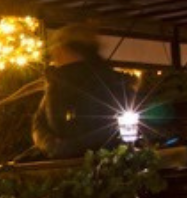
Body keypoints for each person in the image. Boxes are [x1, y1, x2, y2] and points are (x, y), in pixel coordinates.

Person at [32, 22, 138, 158]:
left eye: (57, 46)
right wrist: (53, 145)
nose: (53, 52)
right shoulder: (55, 84)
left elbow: (112, 126)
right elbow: (39, 123)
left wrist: (68, 147)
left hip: (100, 164)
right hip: (61, 162)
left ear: (71, 49)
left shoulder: (107, 83)